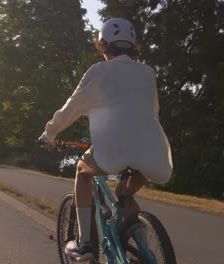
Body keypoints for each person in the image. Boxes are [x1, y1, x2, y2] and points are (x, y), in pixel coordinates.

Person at [38, 18, 172, 261]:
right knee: (125, 196)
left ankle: (85, 243)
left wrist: (49, 134)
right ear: (133, 46)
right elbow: (153, 112)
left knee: (83, 171)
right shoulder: (147, 73)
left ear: (103, 44)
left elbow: (71, 108)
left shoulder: (99, 71)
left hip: (113, 150)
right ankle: (145, 252)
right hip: (153, 151)